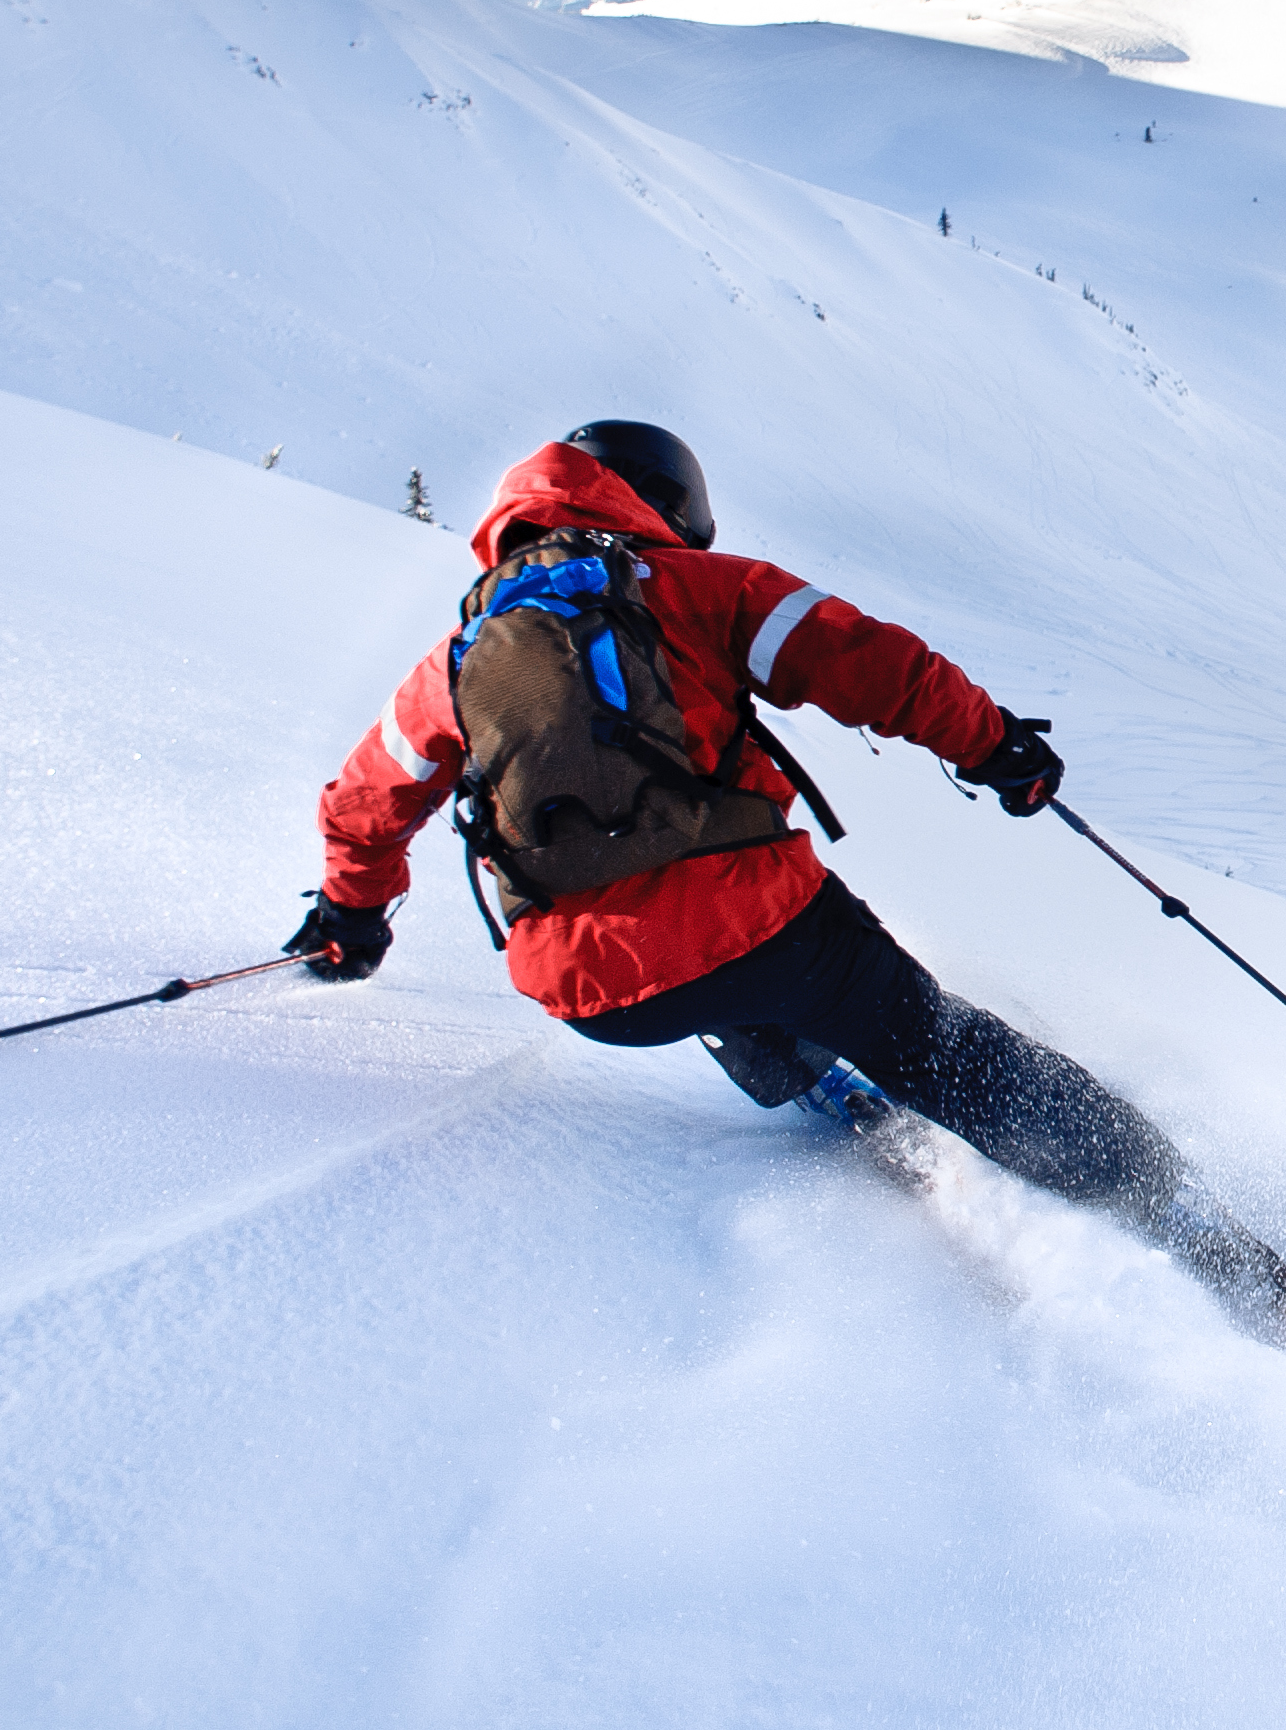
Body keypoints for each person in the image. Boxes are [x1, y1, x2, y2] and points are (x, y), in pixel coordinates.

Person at [284, 421, 1194, 1225]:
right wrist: (995, 747)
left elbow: (365, 808)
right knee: (931, 1043)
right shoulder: (698, 586)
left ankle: (809, 1083)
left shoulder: (458, 658)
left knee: (707, 984)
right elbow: (872, 663)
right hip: (768, 935)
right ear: (669, 501)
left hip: (591, 995)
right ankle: (1171, 1203)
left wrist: (350, 924)